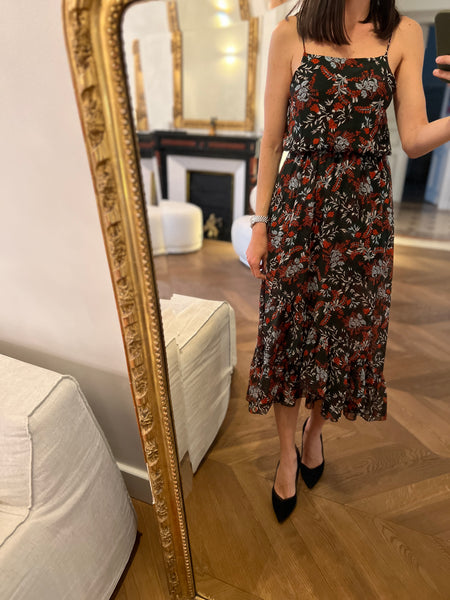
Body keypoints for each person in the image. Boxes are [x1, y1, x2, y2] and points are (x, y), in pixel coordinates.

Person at [245, 0, 450, 523]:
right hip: (298, 209)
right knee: (288, 333)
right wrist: (260, 224)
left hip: (364, 216)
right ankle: (286, 453)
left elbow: (414, 138)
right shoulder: (290, 33)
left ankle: (316, 430)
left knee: (343, 335)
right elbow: (272, 140)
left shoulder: (403, 32)